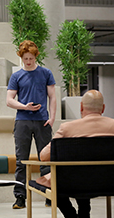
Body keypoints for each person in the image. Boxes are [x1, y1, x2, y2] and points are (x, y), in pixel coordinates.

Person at [37, 90, 114, 218]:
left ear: (81, 107)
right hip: (108, 182)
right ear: (103, 108)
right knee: (84, 173)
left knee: (57, 174)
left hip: (71, 182)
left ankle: (71, 215)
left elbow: (44, 156)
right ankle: (84, 213)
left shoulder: (67, 128)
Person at [6, 40, 56, 209]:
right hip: (23, 121)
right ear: (21, 58)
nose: (28, 61)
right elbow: (9, 100)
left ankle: (49, 194)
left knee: (46, 159)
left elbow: (52, 97)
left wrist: (53, 117)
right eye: (25, 58)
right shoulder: (17, 76)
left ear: (36, 57)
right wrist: (24, 106)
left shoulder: (45, 73)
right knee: (21, 160)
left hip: (42, 120)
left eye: (31, 58)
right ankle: (20, 197)